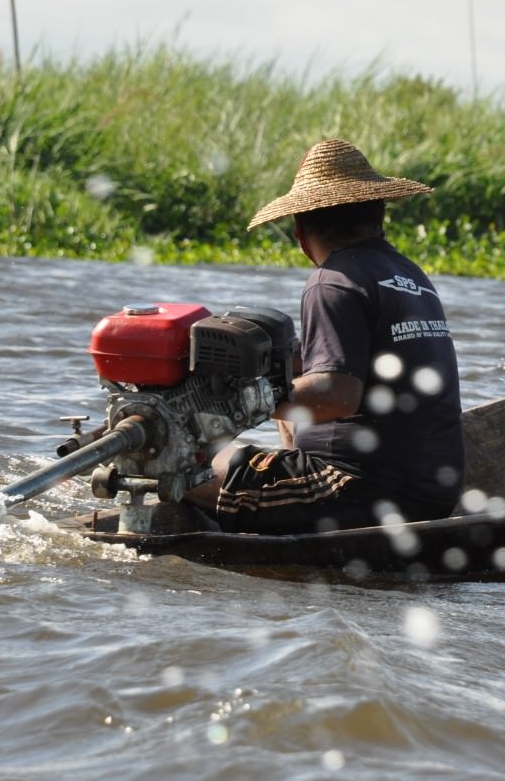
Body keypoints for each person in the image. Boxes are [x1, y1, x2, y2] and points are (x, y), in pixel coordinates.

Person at [188, 139, 465, 534]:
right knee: (289, 376)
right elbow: (324, 377)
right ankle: (289, 484)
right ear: (379, 216)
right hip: (432, 491)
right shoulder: (409, 276)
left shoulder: (332, 281)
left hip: (358, 489)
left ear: (300, 231)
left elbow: (337, 393)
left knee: (179, 461)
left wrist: (239, 402)